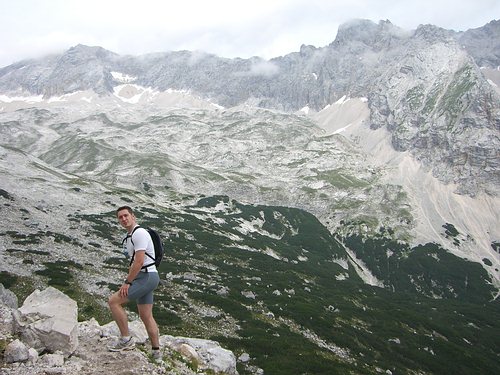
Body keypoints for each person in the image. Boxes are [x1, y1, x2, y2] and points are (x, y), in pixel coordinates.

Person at [108, 205, 161, 362]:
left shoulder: (139, 234)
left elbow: (138, 261)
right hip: (148, 277)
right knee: (146, 315)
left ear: (133, 216)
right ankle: (156, 353)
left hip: (146, 276)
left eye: (126, 215)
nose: (124, 219)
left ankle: (126, 339)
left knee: (113, 302)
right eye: (120, 217)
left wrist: (127, 282)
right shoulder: (132, 235)